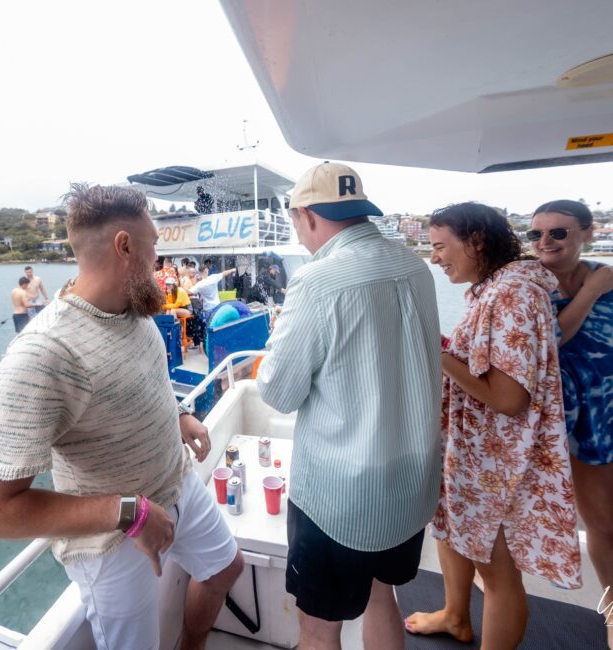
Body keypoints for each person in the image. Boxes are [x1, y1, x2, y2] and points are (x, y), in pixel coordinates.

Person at [0, 183, 243, 650]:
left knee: (226, 569)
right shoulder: (45, 352)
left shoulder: (133, 313)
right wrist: (129, 513)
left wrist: (177, 415)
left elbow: (138, 384)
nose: (159, 260)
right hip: (113, 540)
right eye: (154, 246)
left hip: (176, 483)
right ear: (125, 246)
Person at [256, 161, 442, 650]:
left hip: (341, 499)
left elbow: (278, 391)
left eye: (297, 224)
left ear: (307, 216)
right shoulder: (415, 266)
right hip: (408, 485)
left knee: (319, 630)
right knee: (384, 599)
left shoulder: (316, 282)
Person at [405, 203, 582, 648]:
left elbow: (508, 398)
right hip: (474, 452)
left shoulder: (513, 294)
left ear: (477, 241)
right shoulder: (494, 288)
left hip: (501, 461)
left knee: (498, 575)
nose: (435, 258)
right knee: (451, 530)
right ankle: (455, 616)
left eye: (441, 247)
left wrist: (437, 354)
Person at [529, 199, 613, 646]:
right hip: (577, 426)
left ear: (587, 232)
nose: (545, 242)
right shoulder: (532, 287)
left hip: (612, 407)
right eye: (536, 234)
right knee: (601, 521)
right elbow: (552, 341)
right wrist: (591, 292)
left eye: (558, 233)